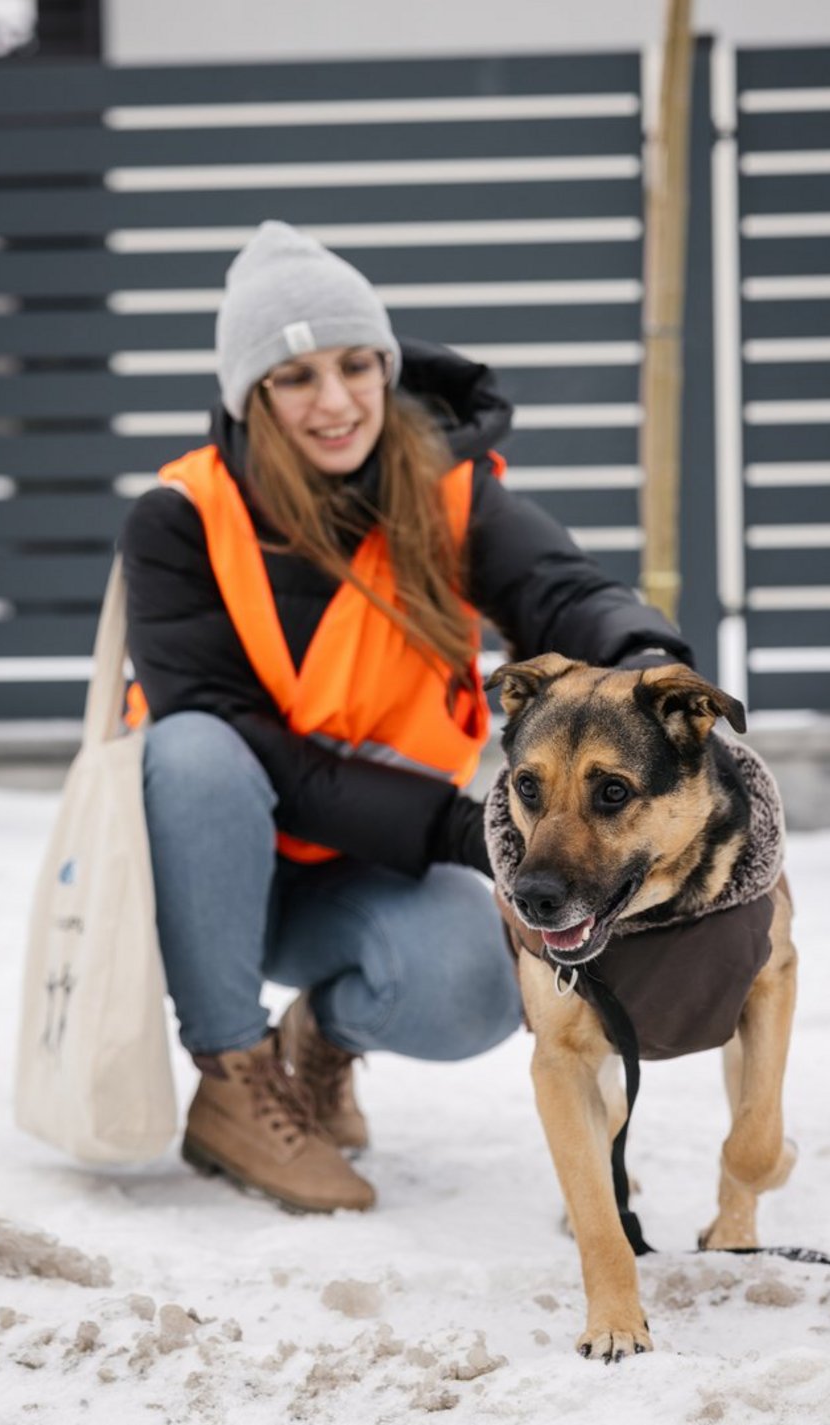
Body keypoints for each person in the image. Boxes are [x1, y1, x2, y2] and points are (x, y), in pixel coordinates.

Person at [120, 221, 692, 1215]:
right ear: (249, 396)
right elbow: (231, 730)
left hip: (357, 869)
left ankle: (319, 1039)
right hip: (214, 875)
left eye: (355, 365)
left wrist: (645, 662)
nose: (335, 402)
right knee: (197, 750)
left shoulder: (448, 493)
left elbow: (559, 589)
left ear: (387, 366)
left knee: (471, 987)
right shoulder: (180, 518)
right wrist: (455, 828)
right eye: (295, 377)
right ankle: (231, 1076)